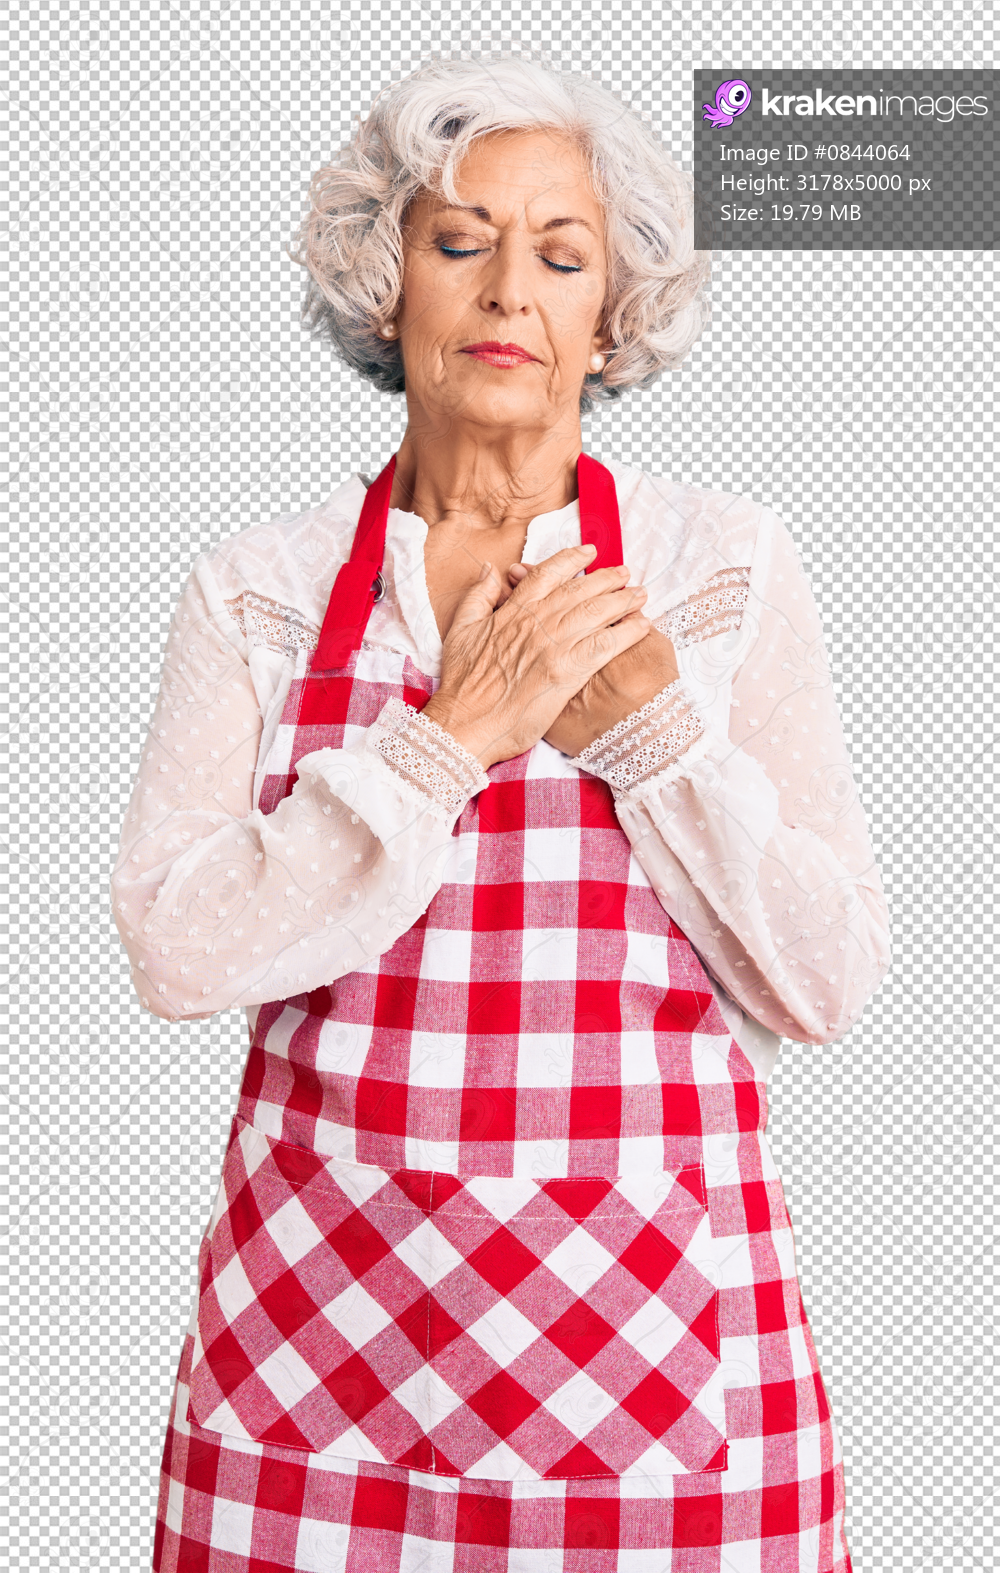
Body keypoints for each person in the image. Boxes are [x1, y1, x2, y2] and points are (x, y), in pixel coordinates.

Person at [112, 54, 890, 1573]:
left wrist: (654, 737)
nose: (508, 292)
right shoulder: (260, 590)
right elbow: (176, 955)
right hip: (321, 1344)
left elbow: (829, 976)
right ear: (383, 282)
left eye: (562, 255)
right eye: (458, 241)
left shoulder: (719, 569)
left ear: (615, 312)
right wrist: (449, 737)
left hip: (651, 1362)